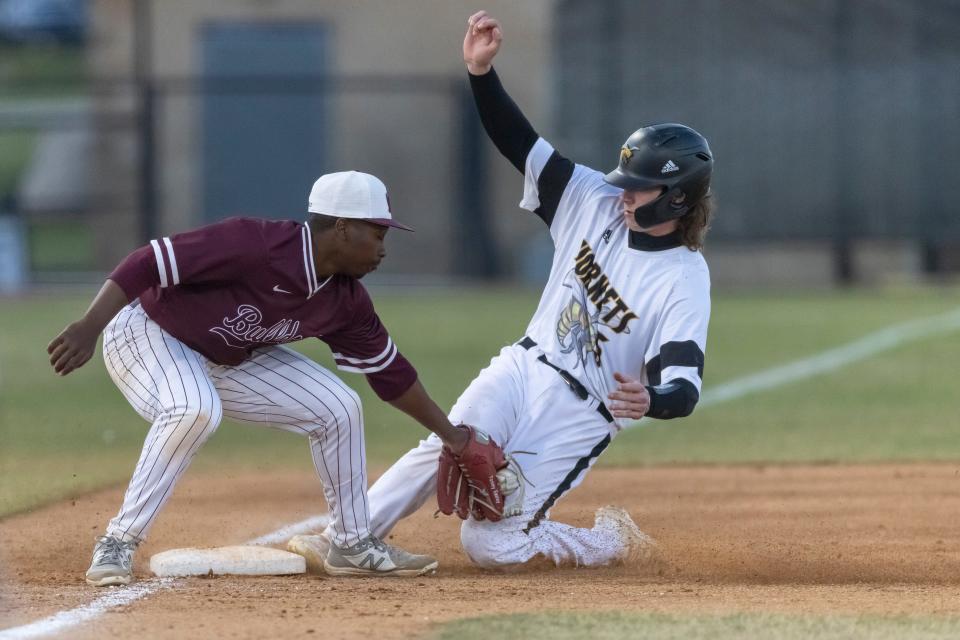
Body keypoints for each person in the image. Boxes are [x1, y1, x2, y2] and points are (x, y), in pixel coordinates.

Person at [288, 12, 715, 570]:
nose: (626, 195)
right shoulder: (594, 202)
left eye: (640, 187)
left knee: (489, 544)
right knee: (447, 442)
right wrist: (481, 73)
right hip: (522, 367)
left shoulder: (683, 277)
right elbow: (522, 144)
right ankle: (350, 539)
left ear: (677, 198)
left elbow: (683, 386)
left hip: (580, 413)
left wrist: (650, 400)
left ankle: (609, 543)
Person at [47, 171, 482, 585]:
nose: (383, 249)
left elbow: (391, 374)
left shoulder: (346, 301)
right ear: (344, 228)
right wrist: (90, 325)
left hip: (225, 355)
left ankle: (351, 544)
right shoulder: (254, 244)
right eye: (379, 234)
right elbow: (146, 263)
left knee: (339, 407)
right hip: (147, 332)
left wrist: (454, 437)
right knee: (194, 408)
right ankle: (118, 541)